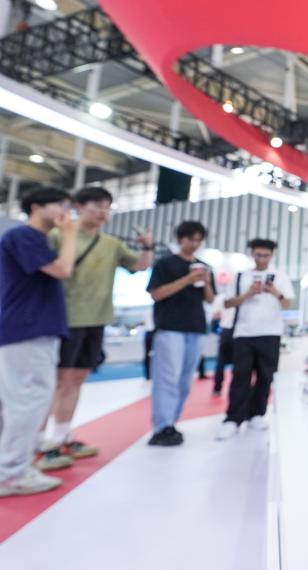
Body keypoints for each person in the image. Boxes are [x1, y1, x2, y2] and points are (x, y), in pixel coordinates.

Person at [36, 187, 154, 470]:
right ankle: (38, 443)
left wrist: (148, 246)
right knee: (56, 382)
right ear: (78, 206)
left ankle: (62, 437)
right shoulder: (59, 236)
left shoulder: (111, 243)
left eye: (107, 207)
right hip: (65, 320)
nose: (103, 211)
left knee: (76, 379)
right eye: (97, 205)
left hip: (97, 320)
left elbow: (140, 266)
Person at [0, 188, 77, 496]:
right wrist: (69, 234)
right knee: (28, 400)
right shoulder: (24, 236)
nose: (65, 211)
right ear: (36, 207)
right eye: (59, 204)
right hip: (28, 328)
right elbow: (63, 269)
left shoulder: (35, 240)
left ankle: (12, 466)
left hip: (31, 328)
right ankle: (11, 473)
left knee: (21, 400)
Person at [216, 239, 293, 440]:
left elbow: (287, 303)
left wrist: (275, 292)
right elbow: (227, 303)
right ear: (252, 254)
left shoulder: (280, 276)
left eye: (266, 255)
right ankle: (233, 418)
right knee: (240, 376)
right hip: (243, 333)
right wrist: (248, 294)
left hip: (271, 333)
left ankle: (257, 414)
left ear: (272, 256)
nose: (262, 259)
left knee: (265, 377)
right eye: (258, 255)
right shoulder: (240, 276)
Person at [146, 221, 215, 447]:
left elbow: (210, 299)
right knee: (167, 379)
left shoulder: (204, 267)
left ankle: (171, 423)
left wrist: (206, 283)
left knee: (185, 381)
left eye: (198, 240)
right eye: (190, 239)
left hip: (196, 328)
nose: (194, 244)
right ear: (180, 239)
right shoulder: (165, 264)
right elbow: (156, 294)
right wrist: (187, 280)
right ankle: (162, 426)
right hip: (169, 328)